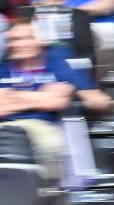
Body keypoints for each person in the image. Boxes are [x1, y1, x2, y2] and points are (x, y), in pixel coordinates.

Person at [0, 21, 74, 183]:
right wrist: (38, 96)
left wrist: (11, 96)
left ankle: (49, 194)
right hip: (3, 124)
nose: (16, 44)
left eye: (24, 38)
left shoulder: (56, 65)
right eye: (12, 40)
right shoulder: (2, 68)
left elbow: (56, 101)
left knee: (50, 144)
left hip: (41, 125)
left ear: (40, 41)